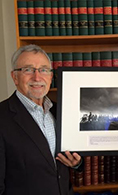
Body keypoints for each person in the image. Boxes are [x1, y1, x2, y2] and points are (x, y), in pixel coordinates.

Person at [0, 44, 82, 195]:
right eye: (28, 69)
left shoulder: (61, 111)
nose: (37, 77)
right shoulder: (2, 117)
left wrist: (77, 163)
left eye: (43, 69)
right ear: (15, 77)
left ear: (51, 76)